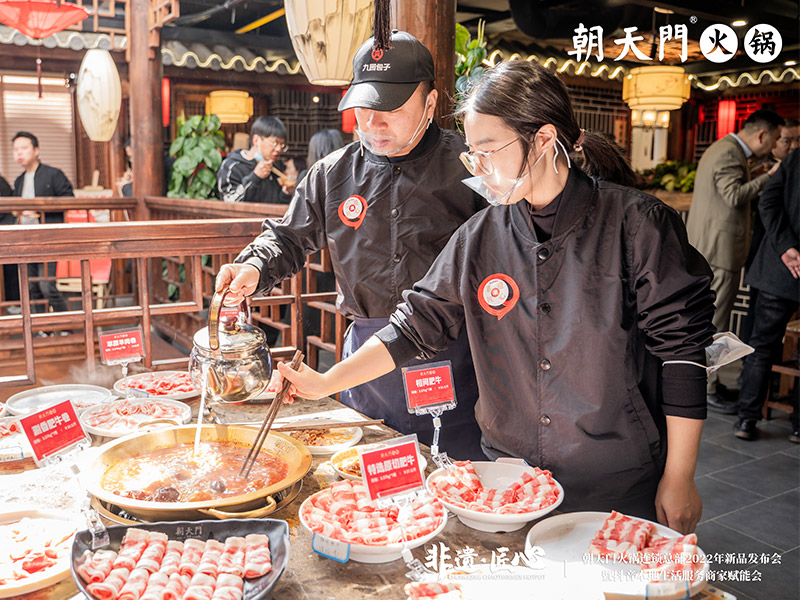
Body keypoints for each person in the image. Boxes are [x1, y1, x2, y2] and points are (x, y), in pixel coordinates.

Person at [277, 60, 716, 533]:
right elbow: (414, 327)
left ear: (544, 140)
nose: (478, 169)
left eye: (488, 152)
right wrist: (326, 382)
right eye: (472, 155)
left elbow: (681, 356)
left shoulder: (638, 224)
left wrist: (680, 476)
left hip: (613, 478)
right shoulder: (481, 235)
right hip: (509, 476)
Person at [215, 31, 487, 461]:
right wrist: (254, 266)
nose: (374, 124)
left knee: (453, 473)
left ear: (430, 103)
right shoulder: (332, 174)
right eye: (364, 109)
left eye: (392, 110)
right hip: (366, 358)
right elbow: (287, 237)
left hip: (453, 351)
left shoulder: (471, 167)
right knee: (369, 472)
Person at [686, 110, 784, 414]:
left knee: (710, 318)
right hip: (719, 251)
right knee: (715, 321)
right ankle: (706, 388)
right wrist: (770, 176)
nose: (775, 146)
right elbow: (733, 196)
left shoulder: (722, 148)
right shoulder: (729, 153)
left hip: (711, 248)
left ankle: (708, 384)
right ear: (761, 135)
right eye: (775, 139)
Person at [734, 148, 799, 441]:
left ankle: (746, 421)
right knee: (762, 347)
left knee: (761, 346)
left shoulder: (796, 158)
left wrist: (786, 247)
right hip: (780, 269)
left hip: (779, 267)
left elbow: (768, 202)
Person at [739, 118, 799, 345]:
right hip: (767, 252)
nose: (793, 145)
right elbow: (761, 203)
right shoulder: (761, 169)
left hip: (783, 255)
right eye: (786, 140)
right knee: (759, 329)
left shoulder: (791, 164)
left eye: (798, 140)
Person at [12, 131, 73, 317]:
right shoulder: (19, 180)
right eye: (15, 149)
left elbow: (69, 199)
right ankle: (42, 327)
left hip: (48, 237)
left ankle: (67, 324)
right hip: (25, 238)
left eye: (24, 148)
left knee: (47, 285)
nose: (19, 153)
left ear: (36, 150)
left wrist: (40, 210)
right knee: (32, 286)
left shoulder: (53, 174)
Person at [217, 117, 291, 204]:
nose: (279, 149)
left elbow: (276, 205)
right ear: (256, 140)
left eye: (282, 145)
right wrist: (255, 177)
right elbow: (230, 202)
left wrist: (286, 193)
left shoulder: (273, 169)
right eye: (275, 143)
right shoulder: (232, 165)